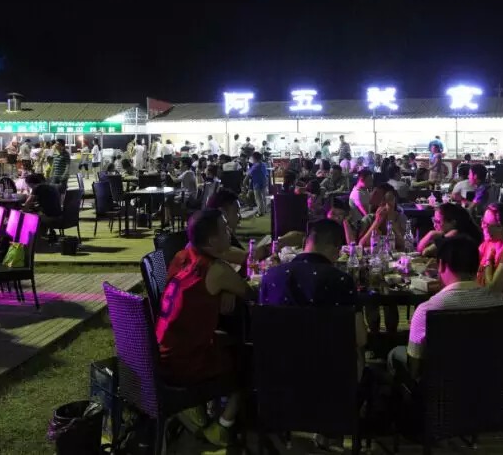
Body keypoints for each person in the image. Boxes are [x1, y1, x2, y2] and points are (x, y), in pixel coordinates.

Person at [156, 209, 249, 446]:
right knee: (251, 360)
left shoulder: (181, 255)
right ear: (211, 241)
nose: (229, 232)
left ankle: (198, 409)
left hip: (162, 353)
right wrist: (229, 286)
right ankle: (222, 426)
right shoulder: (216, 270)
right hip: (185, 364)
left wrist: (226, 288)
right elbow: (250, 292)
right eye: (224, 229)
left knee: (227, 339)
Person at [389, 235, 503, 381]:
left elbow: (414, 368)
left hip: (440, 387)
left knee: (394, 354)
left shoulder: (426, 311)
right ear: (477, 265)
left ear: (441, 265)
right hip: (490, 384)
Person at [259, 218, 367, 374]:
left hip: (279, 372)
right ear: (336, 249)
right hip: (329, 374)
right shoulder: (341, 281)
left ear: (305, 243)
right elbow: (360, 338)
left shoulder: (270, 277)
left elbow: (263, 331)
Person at [417, 202, 482, 257]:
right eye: (434, 221)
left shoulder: (457, 236)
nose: (435, 225)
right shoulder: (456, 232)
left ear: (453, 223)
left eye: (438, 222)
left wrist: (431, 234)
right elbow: (419, 250)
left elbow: (424, 252)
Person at [247, 151, 269, 217]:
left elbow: (249, 174)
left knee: (258, 198)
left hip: (257, 183)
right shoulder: (263, 164)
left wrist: (244, 182)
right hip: (264, 182)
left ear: (254, 158)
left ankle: (260, 212)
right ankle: (264, 210)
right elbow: (266, 174)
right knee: (263, 198)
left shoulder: (255, 166)